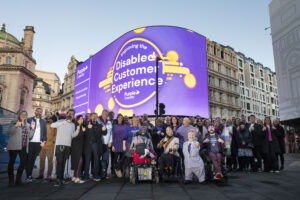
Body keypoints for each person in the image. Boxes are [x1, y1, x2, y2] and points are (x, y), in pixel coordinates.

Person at [51, 109, 79, 186]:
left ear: (73, 116)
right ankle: (58, 179)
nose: (70, 115)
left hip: (68, 145)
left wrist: (77, 131)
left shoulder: (73, 125)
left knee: (63, 162)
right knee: (59, 162)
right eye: (69, 113)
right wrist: (63, 123)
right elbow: (52, 125)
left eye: (72, 114)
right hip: (60, 144)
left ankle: (61, 178)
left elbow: (72, 136)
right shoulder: (61, 121)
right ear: (67, 114)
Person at [7, 111, 35, 186]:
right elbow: (9, 132)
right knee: (11, 162)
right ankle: (11, 180)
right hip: (14, 145)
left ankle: (18, 180)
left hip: (24, 146)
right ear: (19, 115)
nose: (23, 115)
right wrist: (16, 125)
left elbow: (30, 136)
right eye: (22, 114)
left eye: (25, 114)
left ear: (26, 116)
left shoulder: (27, 125)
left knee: (23, 163)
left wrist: (32, 128)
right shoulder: (14, 122)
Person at [83, 112, 107, 182]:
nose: (94, 117)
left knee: (96, 160)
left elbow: (104, 133)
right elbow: (83, 134)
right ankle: (86, 175)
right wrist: (87, 128)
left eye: (96, 116)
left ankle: (95, 175)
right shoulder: (86, 124)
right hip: (88, 145)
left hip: (97, 145)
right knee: (87, 160)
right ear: (90, 117)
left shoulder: (99, 125)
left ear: (97, 118)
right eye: (93, 116)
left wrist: (105, 130)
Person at [26, 108, 47, 182]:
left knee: (33, 160)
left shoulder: (43, 121)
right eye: (37, 111)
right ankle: (28, 176)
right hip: (31, 142)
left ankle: (29, 175)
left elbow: (44, 133)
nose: (39, 113)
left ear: (42, 113)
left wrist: (44, 141)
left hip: (39, 143)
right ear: (35, 112)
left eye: (40, 112)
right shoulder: (29, 119)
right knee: (29, 159)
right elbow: (26, 130)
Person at [38, 111, 57, 180]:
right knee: (41, 160)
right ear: (45, 115)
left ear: (51, 115)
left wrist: (53, 141)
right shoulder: (41, 122)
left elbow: (56, 133)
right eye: (47, 114)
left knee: (50, 160)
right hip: (42, 144)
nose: (48, 115)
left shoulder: (54, 123)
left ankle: (49, 175)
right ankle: (40, 174)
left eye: (50, 114)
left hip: (50, 144)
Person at [71, 115, 86, 183]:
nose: (82, 120)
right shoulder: (76, 126)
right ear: (77, 120)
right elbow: (75, 136)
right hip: (76, 146)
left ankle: (74, 176)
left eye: (82, 119)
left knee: (78, 161)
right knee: (79, 161)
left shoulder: (82, 126)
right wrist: (82, 131)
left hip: (80, 146)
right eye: (80, 119)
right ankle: (77, 177)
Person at [112, 114, 128, 178]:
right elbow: (113, 136)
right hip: (116, 144)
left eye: (121, 118)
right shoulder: (114, 126)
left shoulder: (125, 126)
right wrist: (113, 145)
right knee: (115, 159)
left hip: (123, 144)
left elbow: (127, 135)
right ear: (117, 119)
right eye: (119, 118)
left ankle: (121, 171)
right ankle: (115, 172)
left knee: (123, 159)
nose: (120, 119)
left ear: (122, 119)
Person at [98, 110, 112, 179]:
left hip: (107, 143)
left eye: (106, 114)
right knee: (98, 159)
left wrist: (110, 141)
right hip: (99, 143)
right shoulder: (98, 121)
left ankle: (104, 173)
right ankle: (98, 173)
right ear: (102, 114)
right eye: (104, 114)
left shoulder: (109, 122)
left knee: (105, 159)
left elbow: (111, 133)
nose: (105, 115)